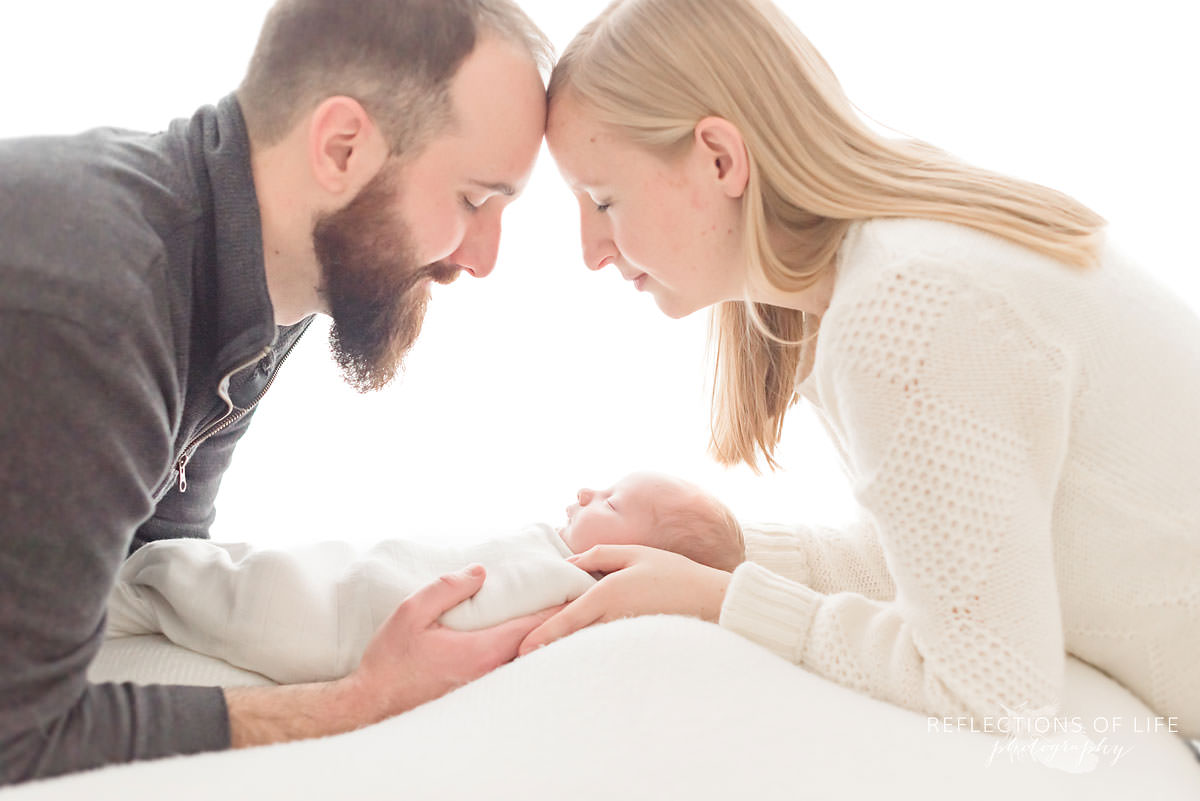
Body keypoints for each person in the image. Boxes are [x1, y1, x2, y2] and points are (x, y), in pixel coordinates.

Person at [518, 0, 1200, 744]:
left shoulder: (906, 306)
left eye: (604, 199)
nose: (591, 248)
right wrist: (735, 550)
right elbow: (972, 569)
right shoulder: (907, 256)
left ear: (721, 158)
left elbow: (996, 687)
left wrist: (722, 601)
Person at [0, 0, 554, 785]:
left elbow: (155, 569)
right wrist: (357, 703)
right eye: (473, 199)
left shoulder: (260, 283)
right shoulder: (106, 306)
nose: (484, 256)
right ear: (341, 146)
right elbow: (19, 729)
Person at [106, 472, 745, 684]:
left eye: (609, 503)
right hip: (359, 575)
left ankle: (124, 591)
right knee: (233, 569)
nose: (585, 490)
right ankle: (125, 588)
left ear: (631, 559)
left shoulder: (573, 587)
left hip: (354, 614)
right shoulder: (552, 554)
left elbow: (474, 621)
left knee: (232, 591)